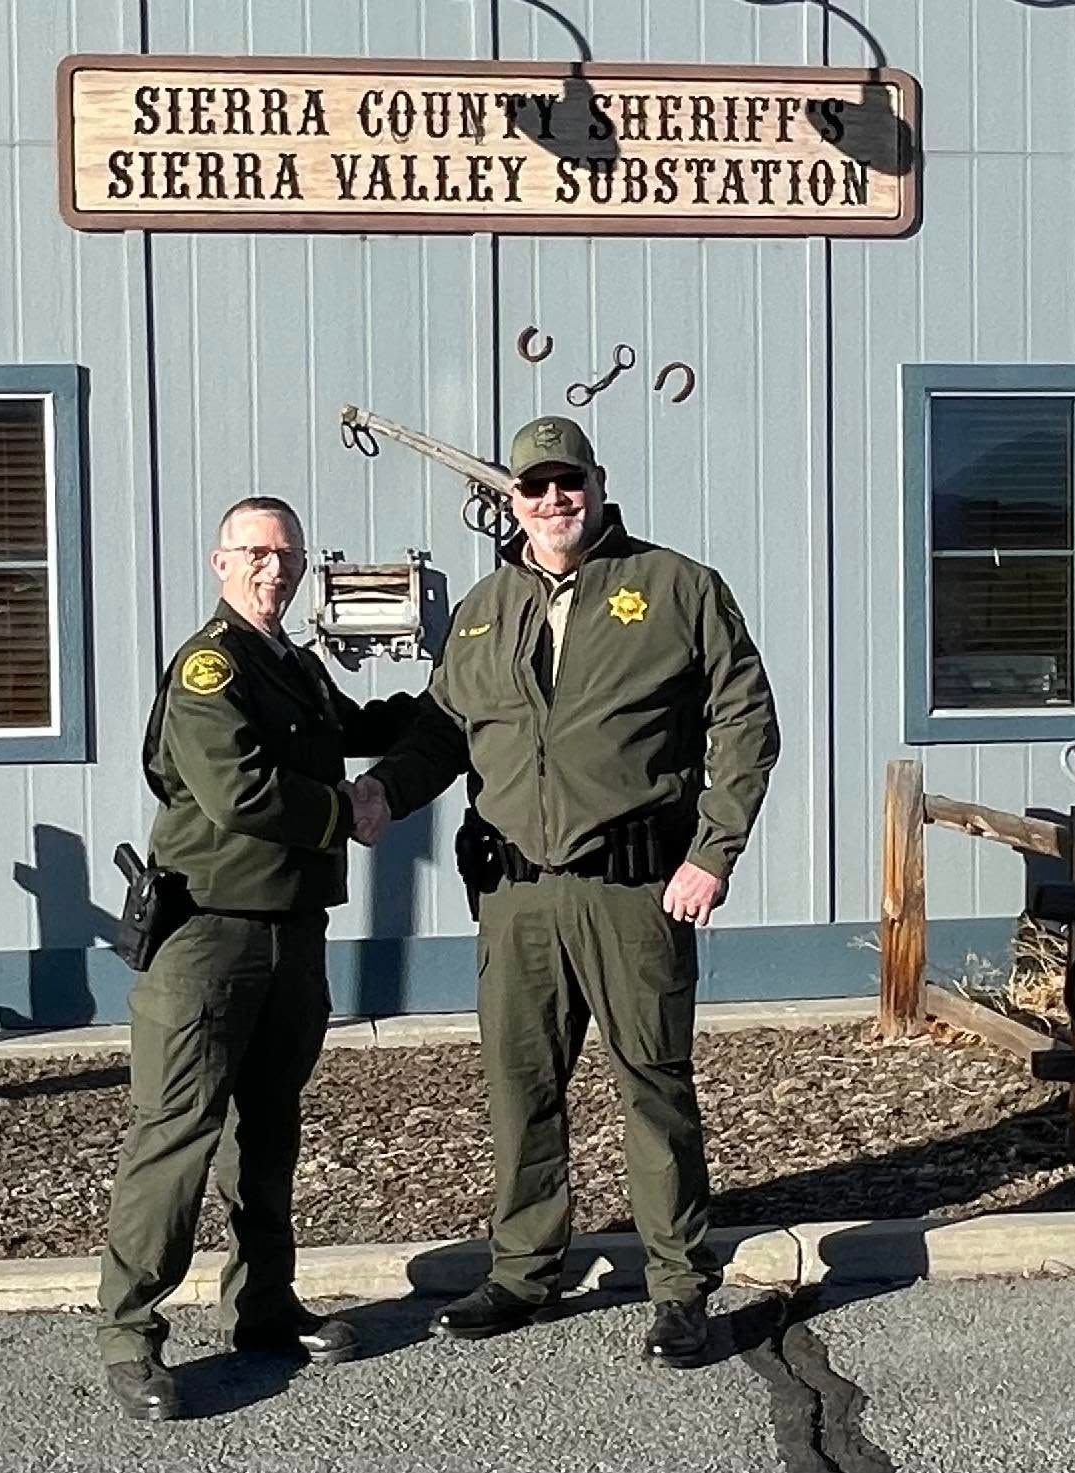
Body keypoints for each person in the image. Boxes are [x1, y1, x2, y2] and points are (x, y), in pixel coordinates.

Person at [353, 415, 779, 1369]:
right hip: (516, 898)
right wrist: (387, 786)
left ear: (597, 481)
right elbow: (444, 731)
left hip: (635, 891)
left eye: (568, 482)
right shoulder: (481, 607)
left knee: (654, 1085)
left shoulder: (674, 587)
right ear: (512, 500)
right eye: (535, 487)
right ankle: (523, 1270)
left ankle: (677, 1286)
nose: (554, 501)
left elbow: (745, 718)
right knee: (520, 1088)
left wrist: (713, 851)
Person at [97, 495, 415, 1422]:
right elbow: (237, 790)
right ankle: (130, 1336)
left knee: (269, 1131)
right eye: (255, 553)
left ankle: (264, 1309)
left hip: (291, 932)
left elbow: (349, 727)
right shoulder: (211, 666)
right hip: (209, 937)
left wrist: (445, 708)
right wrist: (343, 814)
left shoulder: (292, 665)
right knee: (177, 1135)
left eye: (288, 555)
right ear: (220, 560)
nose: (274, 569)